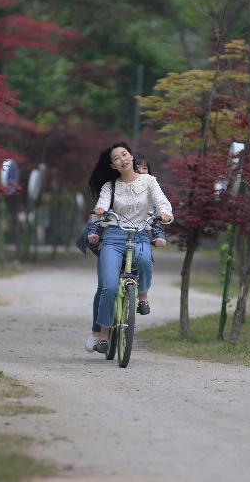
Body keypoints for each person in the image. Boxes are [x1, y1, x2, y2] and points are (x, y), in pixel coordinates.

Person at [84, 142, 173, 354]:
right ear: (114, 166)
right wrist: (100, 209)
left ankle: (142, 297)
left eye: (125, 154)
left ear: (132, 157)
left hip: (140, 234)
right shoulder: (110, 186)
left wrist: (165, 213)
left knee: (144, 261)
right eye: (117, 158)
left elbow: (162, 202)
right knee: (109, 288)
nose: (122, 159)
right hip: (114, 238)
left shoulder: (149, 181)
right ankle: (104, 335)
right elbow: (103, 203)